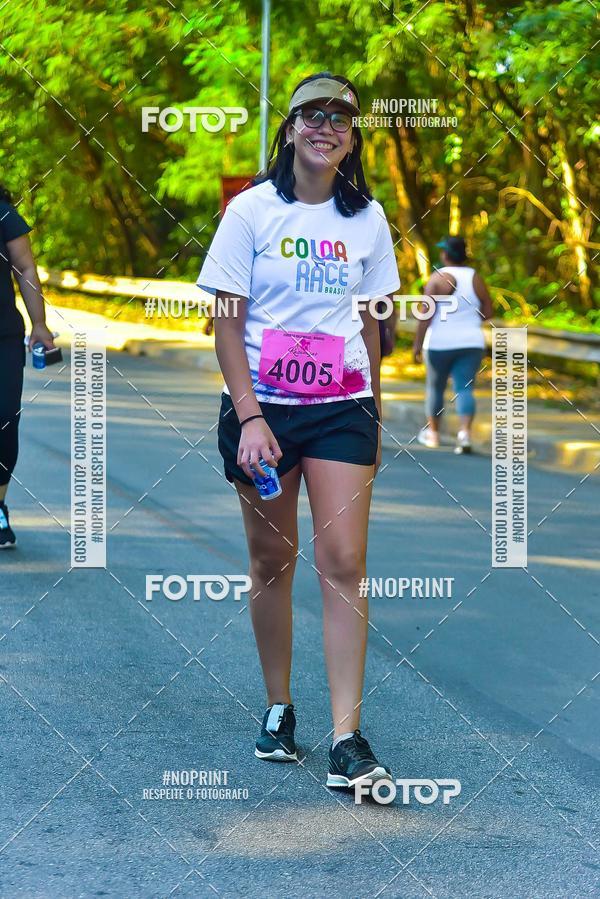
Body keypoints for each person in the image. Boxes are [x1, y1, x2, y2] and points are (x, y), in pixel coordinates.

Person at [197, 72, 401, 789]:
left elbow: (374, 319)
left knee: (343, 560)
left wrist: (371, 402)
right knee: (271, 561)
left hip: (343, 407)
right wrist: (249, 415)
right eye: (311, 115)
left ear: (352, 135)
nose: (326, 126)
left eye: (340, 116)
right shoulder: (250, 211)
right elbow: (225, 322)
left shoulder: (367, 218)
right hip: (265, 411)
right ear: (289, 129)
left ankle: (348, 736)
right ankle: (280, 705)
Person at [0, 185, 55, 548]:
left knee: (4, 420)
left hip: (2, 336)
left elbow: (24, 266)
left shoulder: (2, 212)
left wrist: (39, 323)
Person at [412, 236, 493, 454]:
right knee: (465, 388)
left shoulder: (437, 279)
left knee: (435, 388)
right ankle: (464, 434)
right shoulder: (476, 277)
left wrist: (417, 345)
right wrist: (468, 318)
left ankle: (434, 434)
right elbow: (488, 312)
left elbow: (425, 316)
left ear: (445, 254)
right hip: (471, 343)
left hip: (439, 343)